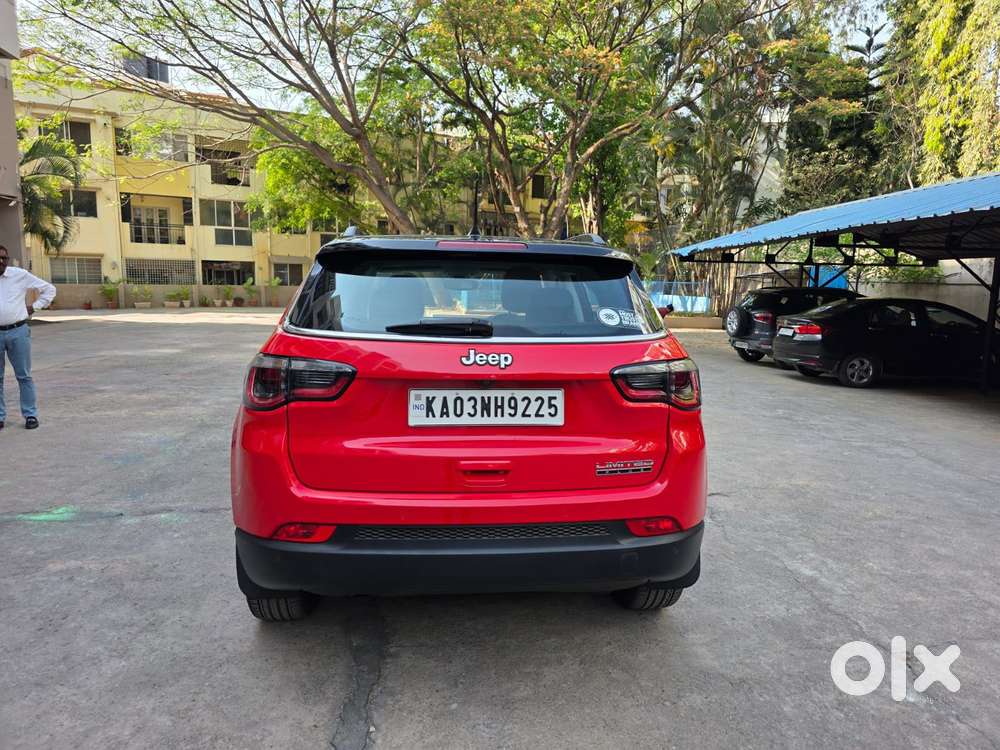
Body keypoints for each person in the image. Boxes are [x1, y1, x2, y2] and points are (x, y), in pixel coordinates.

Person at [0, 245, 56, 431]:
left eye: (4, 258)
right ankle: (0, 417)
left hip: (18, 331)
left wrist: (35, 306)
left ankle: (30, 415)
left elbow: (49, 289)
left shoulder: (18, 275)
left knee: (24, 376)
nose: (1, 261)